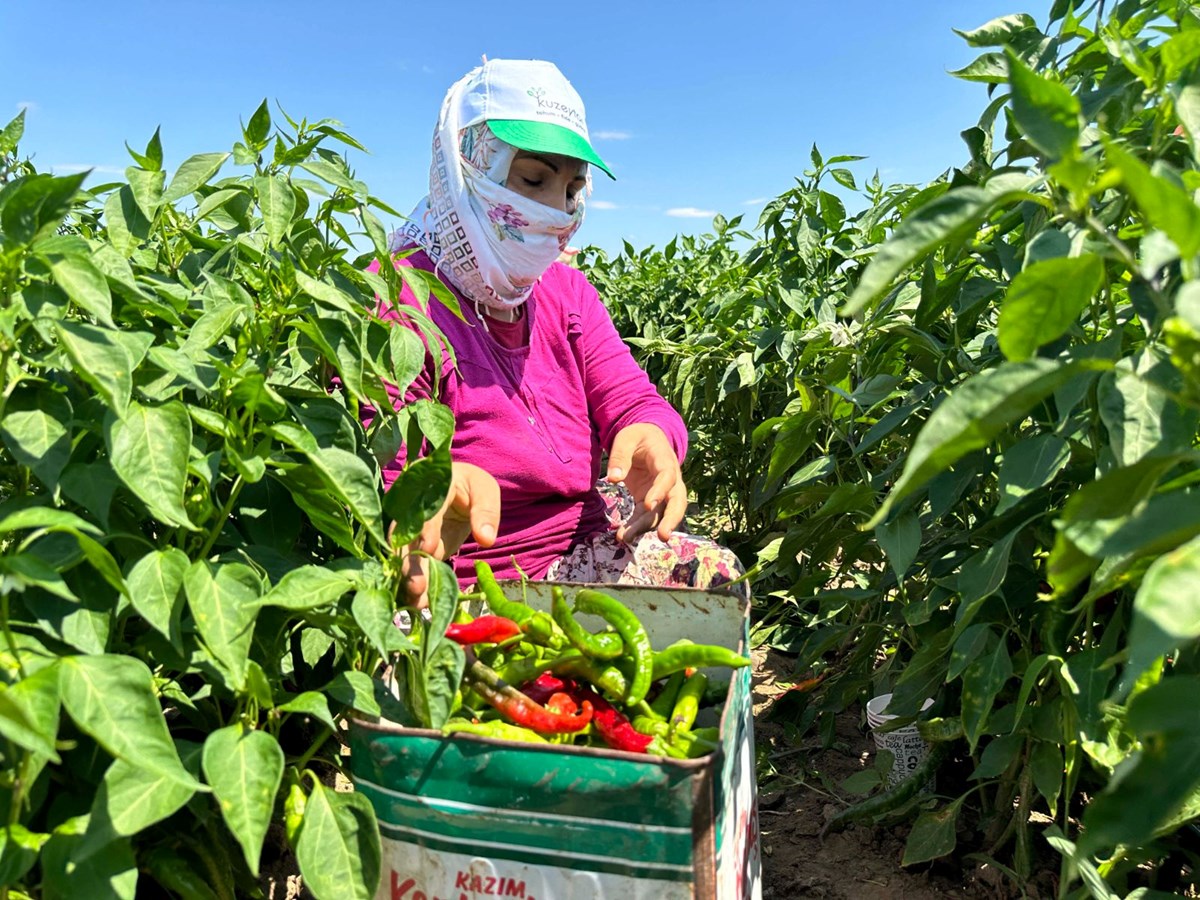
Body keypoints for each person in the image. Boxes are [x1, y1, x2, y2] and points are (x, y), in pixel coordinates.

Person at [374, 58, 746, 605]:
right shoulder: (397, 299)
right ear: (466, 164)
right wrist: (432, 490)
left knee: (717, 578)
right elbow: (377, 464)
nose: (556, 209)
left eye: (572, 187)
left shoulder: (564, 292)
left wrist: (653, 435)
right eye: (532, 179)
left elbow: (628, 395)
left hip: (581, 539)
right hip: (470, 578)